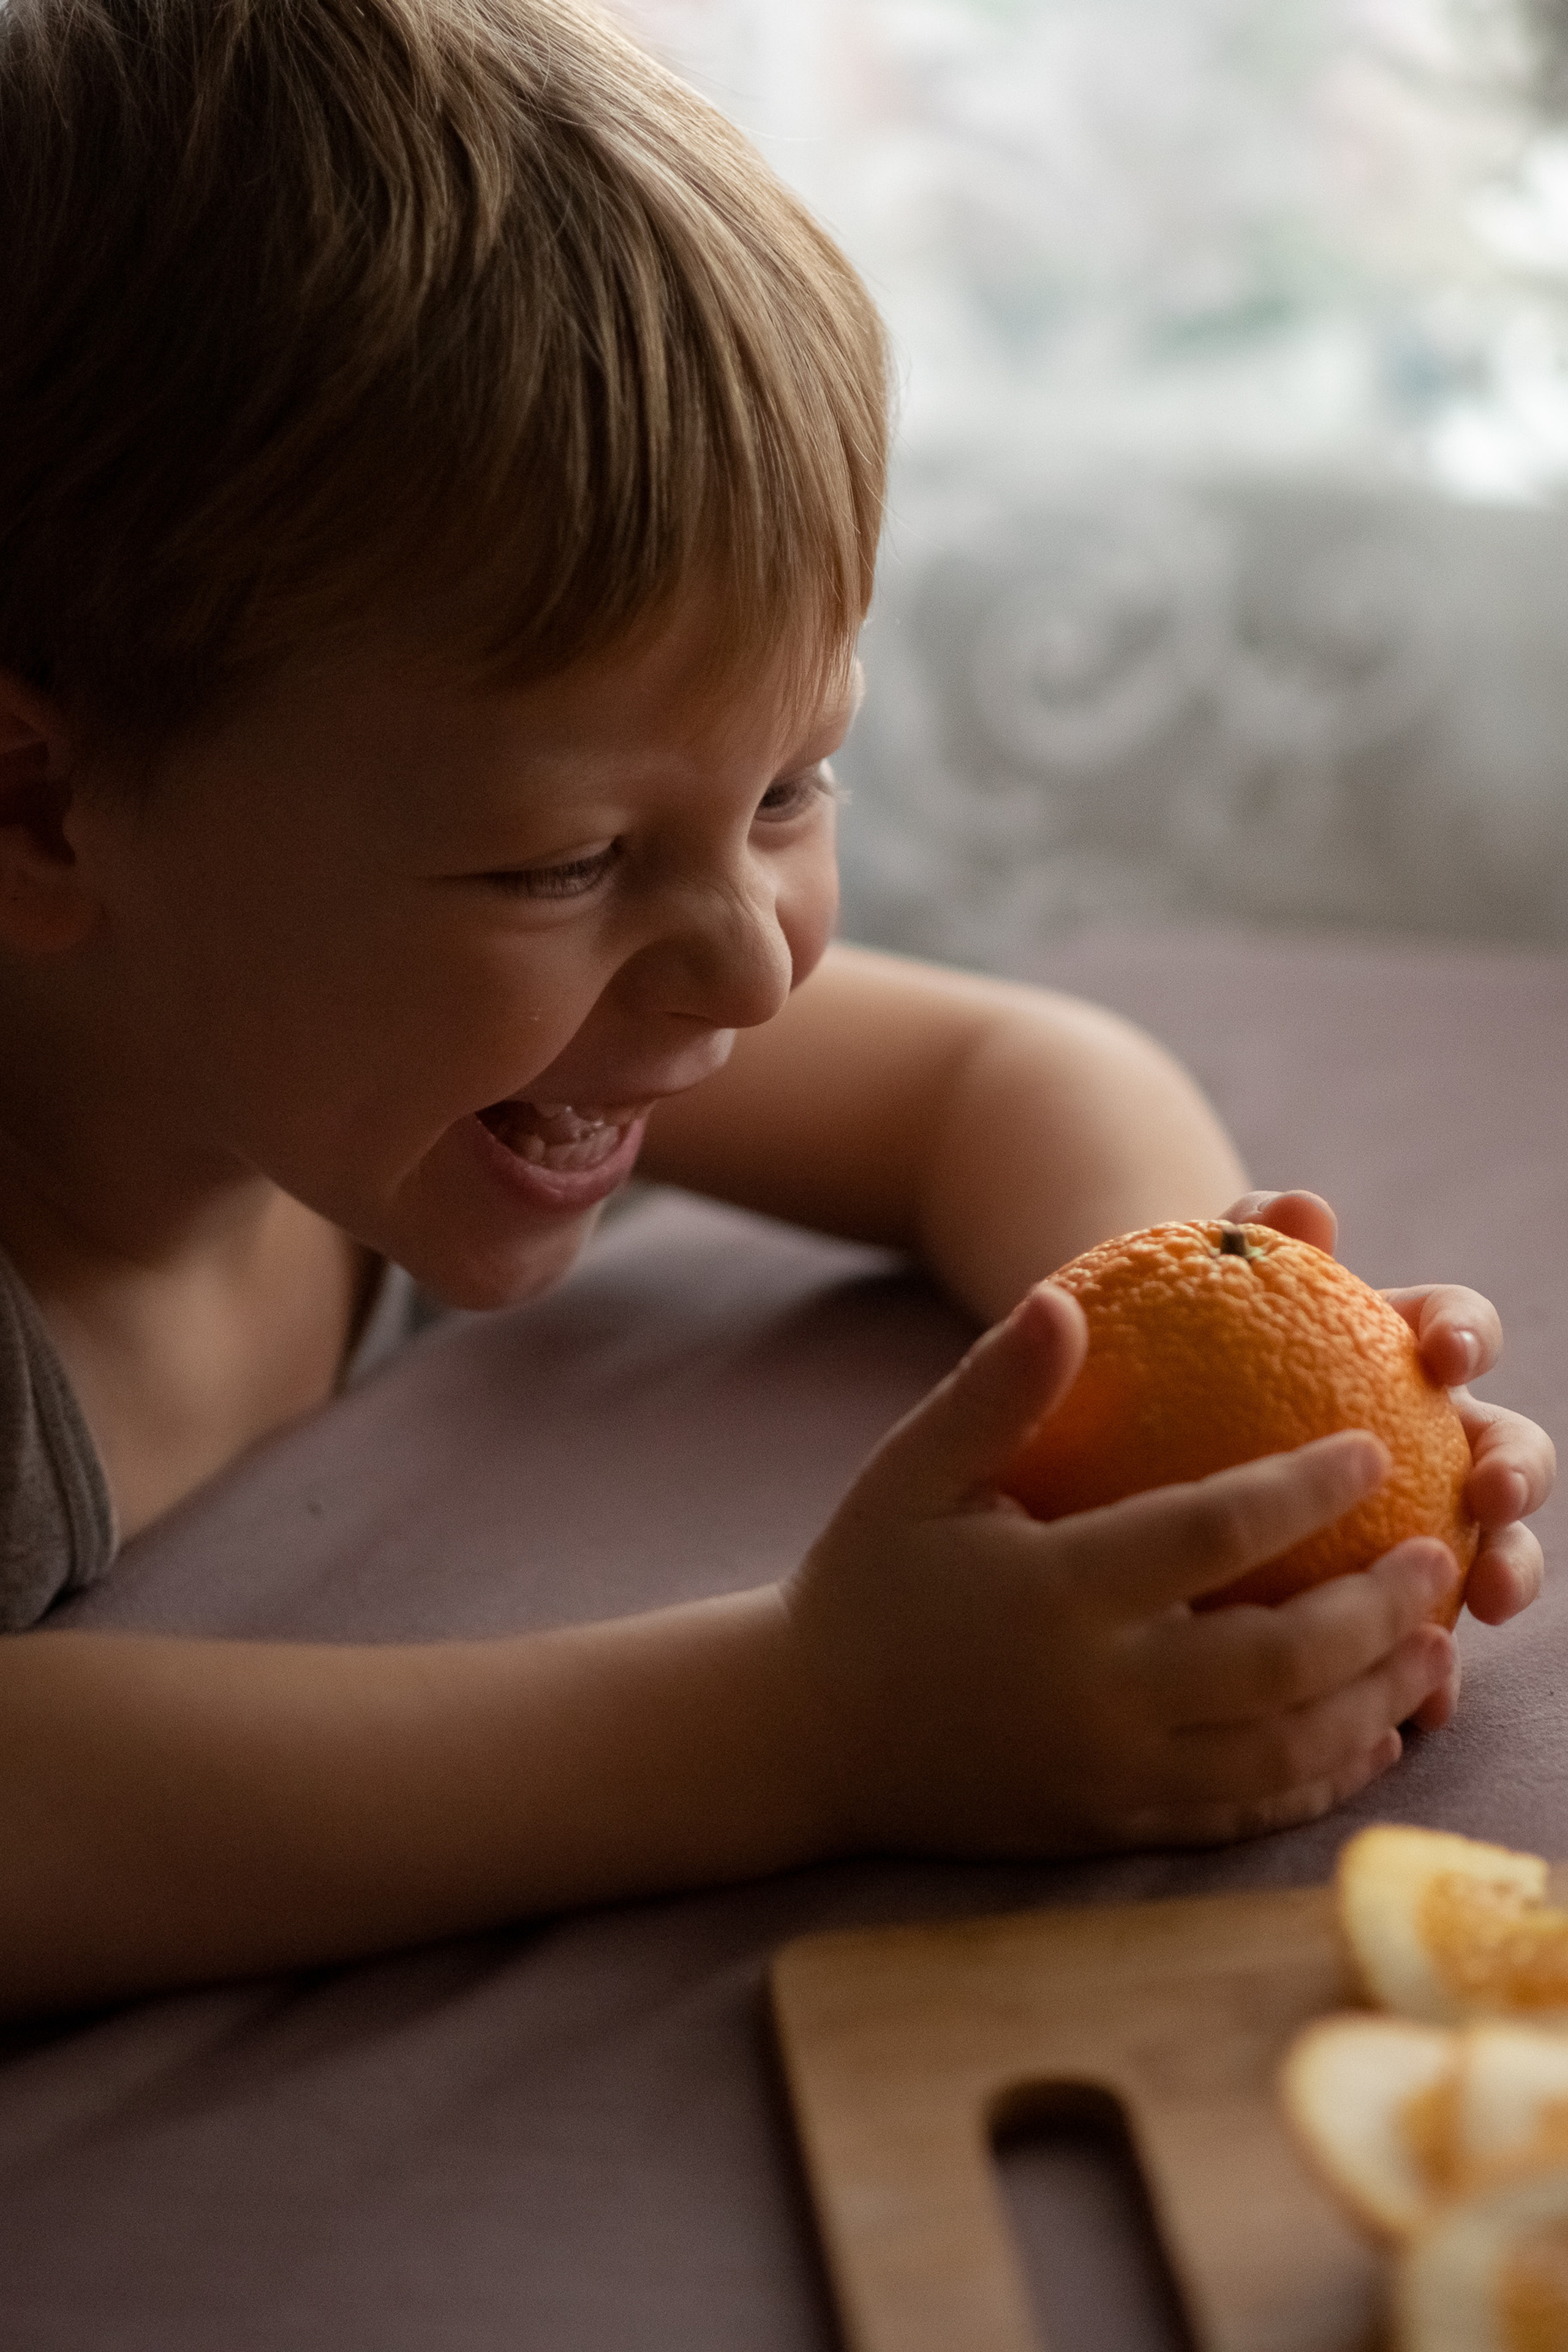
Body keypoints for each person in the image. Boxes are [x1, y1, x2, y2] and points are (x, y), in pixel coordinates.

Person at [0, 0, 1549, 2020]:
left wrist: (1185, 1420)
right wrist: (813, 1723)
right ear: (43, 811)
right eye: (564, 863)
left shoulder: (370, 1037)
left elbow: (1003, 1071)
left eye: (793, 790)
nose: (750, 963)